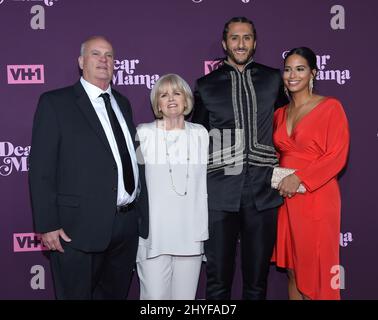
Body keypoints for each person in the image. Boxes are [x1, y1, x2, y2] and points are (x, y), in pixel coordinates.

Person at [28, 36, 148, 299]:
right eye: (96, 54)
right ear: (81, 62)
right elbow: (41, 169)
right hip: (76, 230)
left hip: (125, 227)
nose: (104, 60)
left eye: (109, 55)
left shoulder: (122, 103)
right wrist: (47, 224)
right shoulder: (55, 103)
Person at [192, 17, 288, 299]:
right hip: (220, 192)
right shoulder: (206, 85)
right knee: (218, 281)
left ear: (255, 43)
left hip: (263, 192)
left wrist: (282, 174)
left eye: (247, 37)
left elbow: (286, 132)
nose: (241, 43)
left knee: (257, 281)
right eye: (235, 38)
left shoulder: (273, 79)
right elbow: (197, 137)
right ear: (225, 44)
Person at [271, 47, 350, 300]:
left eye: (300, 69)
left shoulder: (330, 107)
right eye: (288, 69)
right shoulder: (279, 114)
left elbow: (336, 155)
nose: (292, 75)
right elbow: (275, 154)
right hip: (286, 200)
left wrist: (300, 178)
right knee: (293, 270)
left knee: (316, 273)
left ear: (313, 73)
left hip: (317, 197)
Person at [136, 74, 209, 300]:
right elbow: (133, 185)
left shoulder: (201, 134)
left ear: (186, 100)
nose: (171, 99)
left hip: (191, 233)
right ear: (157, 103)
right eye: (163, 94)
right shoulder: (144, 134)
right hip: (155, 236)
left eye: (176, 93)